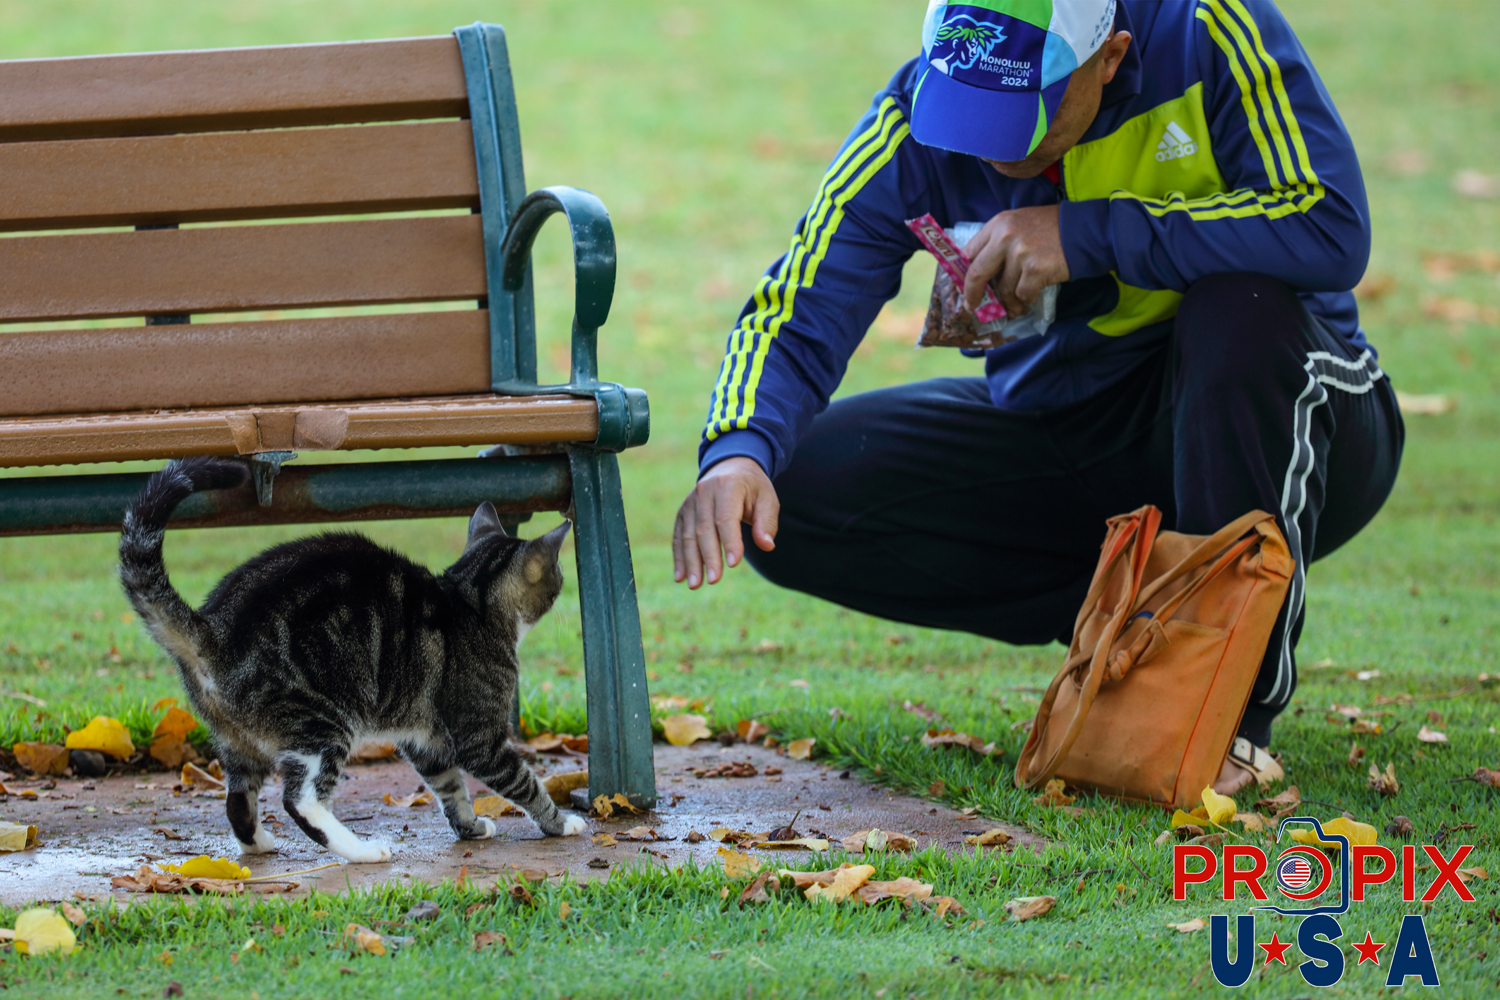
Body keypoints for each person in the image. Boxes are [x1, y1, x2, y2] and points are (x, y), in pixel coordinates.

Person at [671, 0, 1402, 794]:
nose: (987, 143)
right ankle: (1129, 632)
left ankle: (1226, 718)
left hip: (1284, 417)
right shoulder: (916, 112)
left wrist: (1085, 232)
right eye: (968, 110)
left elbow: (1328, 222)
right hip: (1065, 428)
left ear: (1111, 57)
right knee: (798, 485)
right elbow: (802, 300)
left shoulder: (1211, 30)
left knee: (1239, 310)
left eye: (1021, 116)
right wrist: (736, 451)